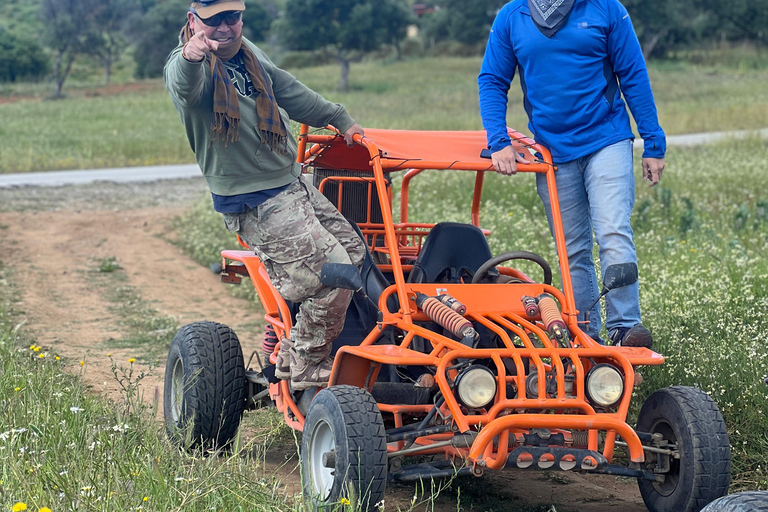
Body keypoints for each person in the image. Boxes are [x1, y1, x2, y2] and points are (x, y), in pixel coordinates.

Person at [165, 0, 367, 389]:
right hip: (254, 199)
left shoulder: (247, 53)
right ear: (193, 21)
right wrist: (191, 56)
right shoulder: (188, 63)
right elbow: (185, 89)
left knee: (355, 253)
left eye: (233, 18)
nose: (225, 28)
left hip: (288, 182)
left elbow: (287, 89)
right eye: (213, 21)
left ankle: (293, 352)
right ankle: (308, 363)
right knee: (334, 277)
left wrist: (340, 118)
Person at [478, 0, 666, 348]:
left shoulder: (606, 9)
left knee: (612, 229)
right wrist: (498, 140)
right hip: (552, 150)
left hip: (606, 137)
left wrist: (653, 141)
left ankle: (625, 327)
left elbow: (633, 73)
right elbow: (492, 80)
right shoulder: (512, 15)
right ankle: (585, 333)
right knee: (572, 250)